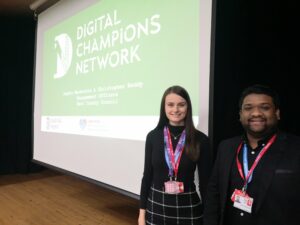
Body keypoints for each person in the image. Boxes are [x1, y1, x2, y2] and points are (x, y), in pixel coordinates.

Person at [204, 84, 300, 225]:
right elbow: (214, 194)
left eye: (265, 107)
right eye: (248, 108)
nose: (256, 113)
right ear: (240, 114)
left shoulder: (295, 148)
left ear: (277, 113)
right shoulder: (226, 147)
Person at [138, 85, 212, 225]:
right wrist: (142, 214)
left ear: (188, 107)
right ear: (164, 107)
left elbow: (206, 183)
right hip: (156, 207)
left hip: (189, 208)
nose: (176, 110)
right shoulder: (153, 137)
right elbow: (147, 176)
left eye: (181, 105)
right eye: (170, 105)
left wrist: (208, 217)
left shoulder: (201, 139)